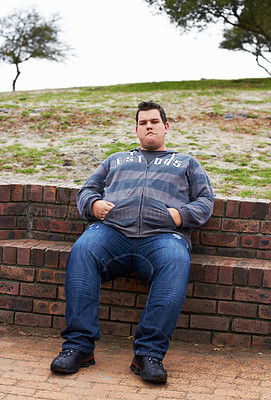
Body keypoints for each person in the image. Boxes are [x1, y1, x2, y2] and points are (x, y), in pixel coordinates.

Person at [50, 100, 215, 383]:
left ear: (166, 127)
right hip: (112, 233)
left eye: (154, 122)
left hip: (163, 236)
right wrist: (93, 205)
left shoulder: (187, 162)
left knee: (176, 261)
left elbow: (205, 199)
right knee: (83, 250)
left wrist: (180, 216)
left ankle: (148, 354)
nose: (149, 126)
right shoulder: (116, 159)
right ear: (137, 129)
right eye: (143, 123)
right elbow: (87, 190)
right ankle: (78, 347)